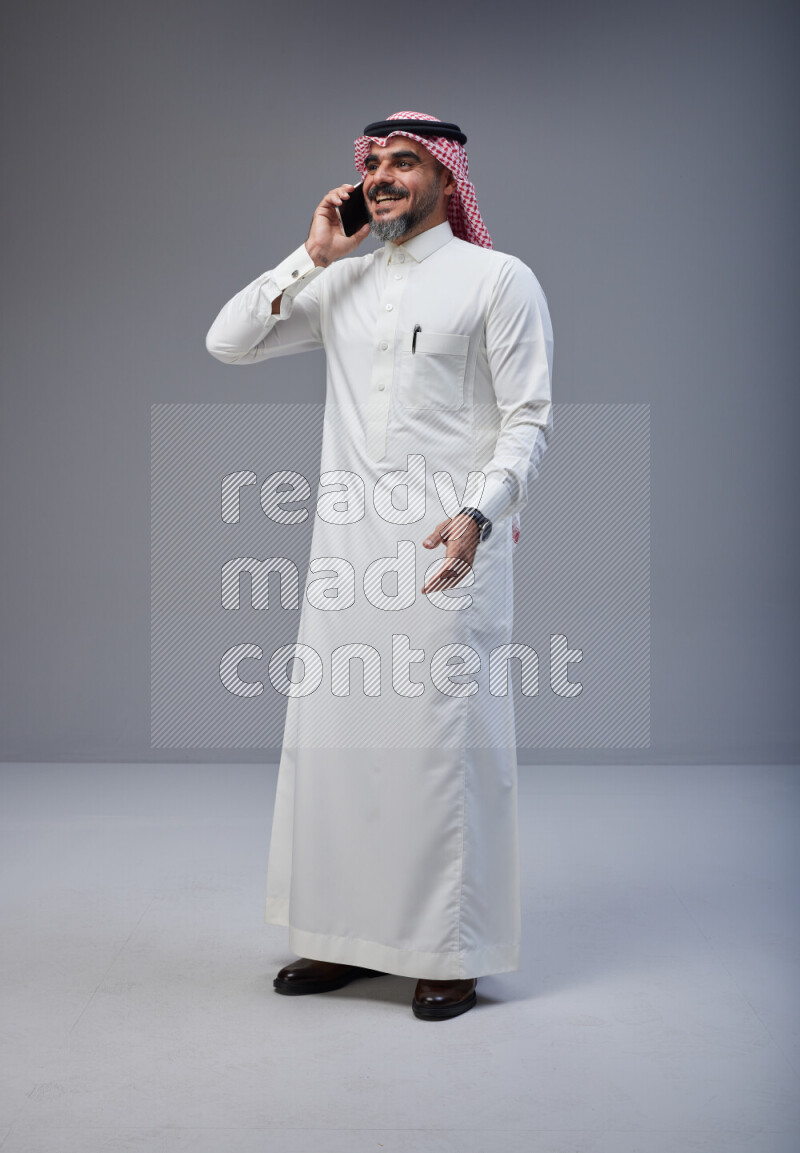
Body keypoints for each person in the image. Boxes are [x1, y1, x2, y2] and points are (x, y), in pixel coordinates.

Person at [206, 111, 554, 1020]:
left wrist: (483, 510)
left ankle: (449, 949)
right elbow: (228, 341)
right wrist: (312, 256)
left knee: (441, 751)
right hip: (343, 555)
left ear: (447, 178)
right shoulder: (343, 283)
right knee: (340, 750)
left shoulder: (498, 280)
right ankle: (340, 939)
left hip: (449, 547)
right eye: (375, 163)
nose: (387, 176)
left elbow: (529, 420)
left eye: (406, 161)